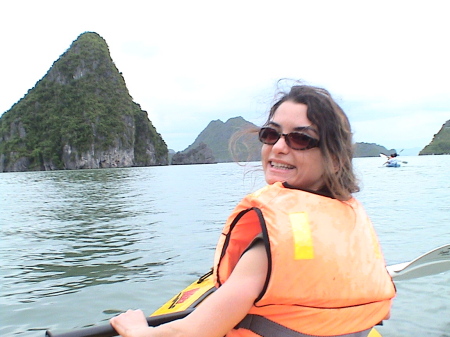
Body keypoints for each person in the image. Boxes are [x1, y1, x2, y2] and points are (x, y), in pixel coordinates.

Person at [110, 83, 396, 337]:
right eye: (271, 134)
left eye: (300, 139)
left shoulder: (266, 249)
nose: (279, 147)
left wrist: (137, 329)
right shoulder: (348, 221)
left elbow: (191, 332)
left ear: (334, 158)